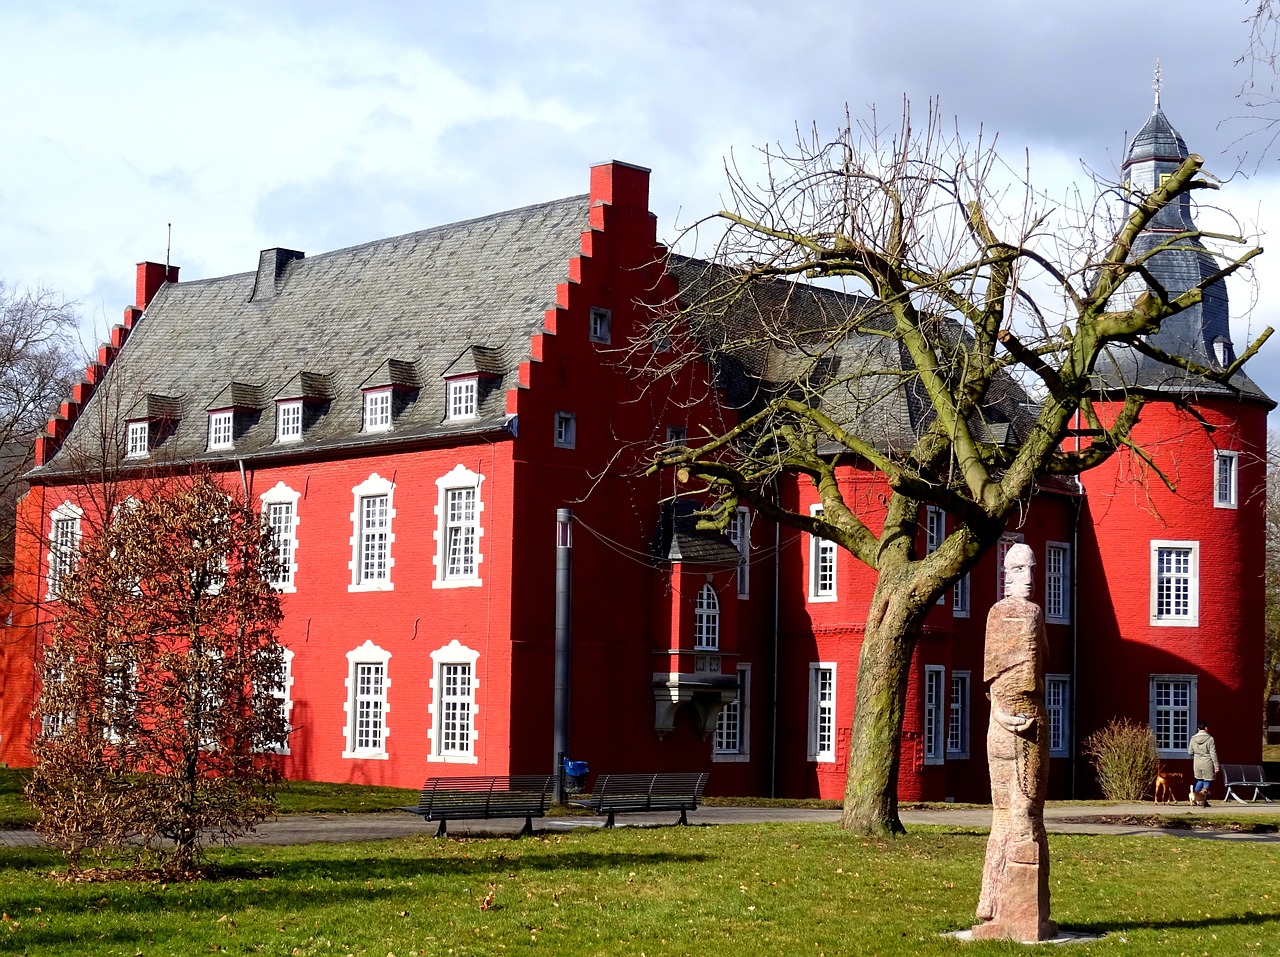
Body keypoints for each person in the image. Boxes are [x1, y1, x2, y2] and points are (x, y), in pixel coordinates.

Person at [1187, 721, 1219, 807]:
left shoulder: (1193, 738)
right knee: (1207, 780)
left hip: (1197, 762)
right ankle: (1204, 800)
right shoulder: (1210, 739)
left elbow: (1190, 751)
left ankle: (1195, 797)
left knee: (1199, 779)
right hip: (1207, 762)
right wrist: (1216, 765)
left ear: (1198, 729)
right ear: (1206, 728)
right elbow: (1213, 753)